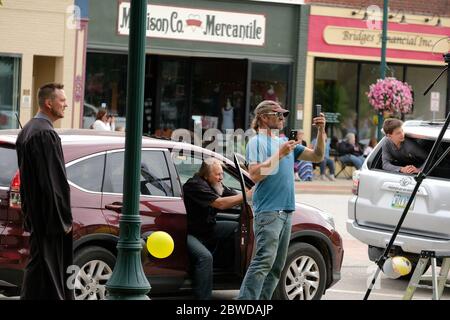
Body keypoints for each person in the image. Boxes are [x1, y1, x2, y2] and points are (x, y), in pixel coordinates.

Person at [237, 100, 326, 300]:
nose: (281, 118)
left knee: (276, 267)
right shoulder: (256, 142)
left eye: (283, 115)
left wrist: (321, 131)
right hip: (268, 212)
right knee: (263, 263)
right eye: (277, 114)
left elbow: (318, 156)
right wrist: (280, 154)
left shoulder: (284, 143)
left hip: (286, 211)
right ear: (262, 117)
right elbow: (255, 175)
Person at [16, 83, 73, 300]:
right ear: (49, 103)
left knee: (41, 267)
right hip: (48, 218)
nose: (66, 105)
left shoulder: (29, 130)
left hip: (38, 214)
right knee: (48, 268)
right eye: (62, 100)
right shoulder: (44, 134)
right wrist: (63, 220)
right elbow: (52, 183)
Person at [183, 158, 252, 300]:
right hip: (189, 233)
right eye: (217, 174)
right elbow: (220, 204)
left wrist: (249, 191)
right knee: (205, 257)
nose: (221, 178)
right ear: (206, 175)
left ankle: (227, 267)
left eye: (222, 174)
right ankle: (203, 298)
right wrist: (247, 195)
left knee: (240, 229)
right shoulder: (195, 185)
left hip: (208, 229)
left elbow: (233, 195)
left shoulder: (215, 185)